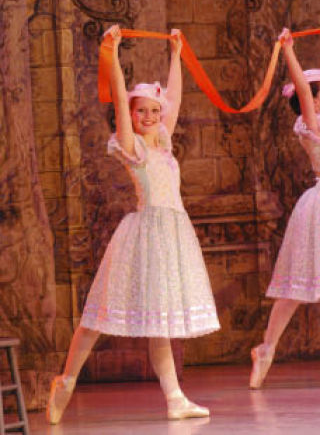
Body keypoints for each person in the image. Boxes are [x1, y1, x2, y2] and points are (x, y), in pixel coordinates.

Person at [46, 25, 220, 423]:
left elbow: (174, 97)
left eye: (154, 111)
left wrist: (177, 52)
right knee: (98, 315)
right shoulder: (133, 147)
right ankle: (67, 379)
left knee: (160, 319)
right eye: (142, 110)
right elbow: (124, 111)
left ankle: (175, 397)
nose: (149, 116)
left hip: (172, 235)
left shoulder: (164, 141)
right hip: (143, 234)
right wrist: (116, 55)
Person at [250, 27, 320, 389]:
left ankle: (266, 348)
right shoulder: (312, 122)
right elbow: (305, 91)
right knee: (295, 288)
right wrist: (289, 50)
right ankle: (266, 348)